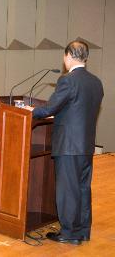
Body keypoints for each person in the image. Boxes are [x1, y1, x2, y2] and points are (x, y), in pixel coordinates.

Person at [29, 41, 103, 245]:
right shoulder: (96, 82)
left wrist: (29, 111)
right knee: (82, 188)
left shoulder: (68, 80)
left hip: (69, 146)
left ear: (69, 55)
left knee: (67, 189)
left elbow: (49, 109)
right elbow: (77, 109)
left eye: (64, 56)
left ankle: (69, 232)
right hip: (86, 146)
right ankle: (82, 230)